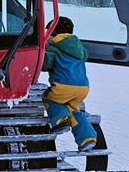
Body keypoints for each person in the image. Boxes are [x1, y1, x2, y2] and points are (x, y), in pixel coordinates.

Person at [41, 16, 98, 152]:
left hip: (63, 86)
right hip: (83, 89)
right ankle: (87, 138)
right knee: (73, 110)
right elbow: (85, 55)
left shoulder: (55, 47)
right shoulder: (79, 48)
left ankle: (61, 121)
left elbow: (45, 63)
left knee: (49, 98)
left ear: (53, 33)